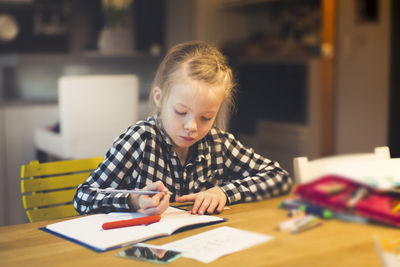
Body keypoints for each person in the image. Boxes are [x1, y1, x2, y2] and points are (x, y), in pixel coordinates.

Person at [73, 41, 293, 216]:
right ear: (160, 98)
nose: (192, 127)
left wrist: (224, 192)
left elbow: (279, 177)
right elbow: (83, 196)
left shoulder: (219, 143)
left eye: (206, 117)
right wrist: (134, 199)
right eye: (180, 112)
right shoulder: (140, 139)